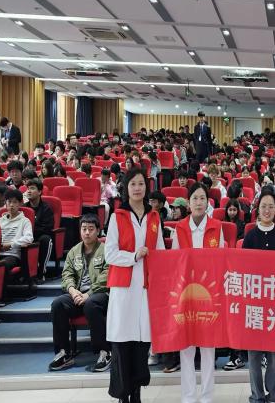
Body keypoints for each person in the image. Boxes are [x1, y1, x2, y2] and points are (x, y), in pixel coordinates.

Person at [105, 167, 165, 403]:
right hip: (124, 288)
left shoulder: (154, 217)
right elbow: (110, 253)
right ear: (126, 188)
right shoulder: (117, 216)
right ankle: (123, 394)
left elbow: (160, 251)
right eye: (133, 184)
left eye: (141, 183)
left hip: (147, 287)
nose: (138, 188)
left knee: (142, 342)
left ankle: (137, 392)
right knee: (122, 342)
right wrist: (133, 256)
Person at [171, 183, 225, 403]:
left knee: (208, 347)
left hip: (208, 295)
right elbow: (174, 262)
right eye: (195, 198)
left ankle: (207, 397)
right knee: (186, 346)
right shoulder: (180, 228)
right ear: (189, 202)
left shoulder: (216, 227)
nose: (199, 202)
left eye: (203, 198)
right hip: (185, 294)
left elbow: (221, 261)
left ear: (208, 202)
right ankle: (188, 396)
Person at [49, 214, 111, 372]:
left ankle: (105, 351)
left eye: (91, 229)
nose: (87, 232)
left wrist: (87, 294)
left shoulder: (106, 250)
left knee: (91, 304)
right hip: (78, 294)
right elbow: (67, 275)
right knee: (58, 304)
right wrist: (72, 291)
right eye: (84, 229)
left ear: (98, 231)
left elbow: (106, 277)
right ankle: (64, 352)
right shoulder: (74, 251)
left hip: (100, 294)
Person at [242, 187, 275, 403]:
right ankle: (257, 396)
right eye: (263, 206)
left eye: (271, 207)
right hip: (254, 305)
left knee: (274, 356)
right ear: (257, 209)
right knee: (254, 355)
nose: (267, 210)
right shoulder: (250, 236)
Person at [0, 189, 34, 285]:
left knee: (1, 265)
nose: (11, 205)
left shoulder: (25, 221)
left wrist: (11, 244)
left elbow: (29, 238)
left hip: (13, 255)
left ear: (20, 204)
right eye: (9, 202)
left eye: (15, 202)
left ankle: (2, 292)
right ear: (5, 203)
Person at [24, 178, 54, 278]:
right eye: (28, 188)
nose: (29, 191)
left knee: (46, 239)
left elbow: (47, 228)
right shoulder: (24, 208)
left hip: (39, 236)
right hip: (26, 236)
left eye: (32, 188)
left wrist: (32, 231)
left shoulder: (46, 208)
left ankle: (41, 271)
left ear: (40, 192)